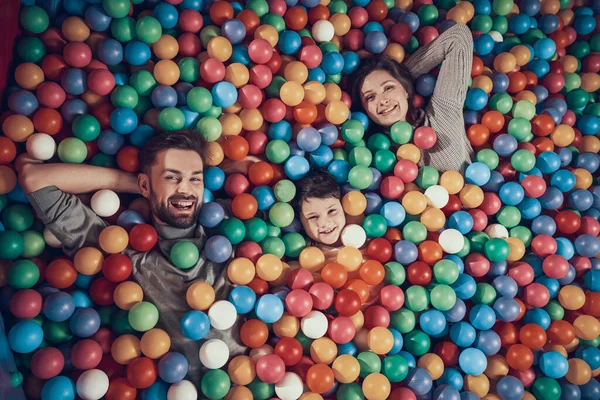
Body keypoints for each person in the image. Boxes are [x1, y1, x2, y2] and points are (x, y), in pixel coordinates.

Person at [16, 129, 246, 384]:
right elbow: (33, 177)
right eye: (172, 177)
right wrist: (136, 186)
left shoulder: (230, 226)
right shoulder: (123, 253)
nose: (186, 189)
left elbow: (257, 170)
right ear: (145, 184)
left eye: (195, 179)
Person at [350, 23, 475, 173]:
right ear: (364, 109)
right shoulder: (370, 153)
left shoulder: (441, 113)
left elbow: (458, 37)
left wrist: (404, 76)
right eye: (370, 97)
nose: (383, 100)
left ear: (406, 91)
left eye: (389, 88)